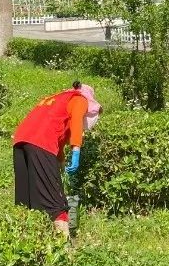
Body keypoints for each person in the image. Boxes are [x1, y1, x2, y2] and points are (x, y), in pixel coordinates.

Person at [13, 81, 102, 239]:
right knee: (56, 201)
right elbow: (76, 122)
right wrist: (76, 150)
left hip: (20, 141)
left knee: (27, 199)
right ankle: (64, 247)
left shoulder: (57, 99)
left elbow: (57, 137)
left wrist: (60, 163)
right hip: (41, 142)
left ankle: (24, 240)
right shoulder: (80, 99)